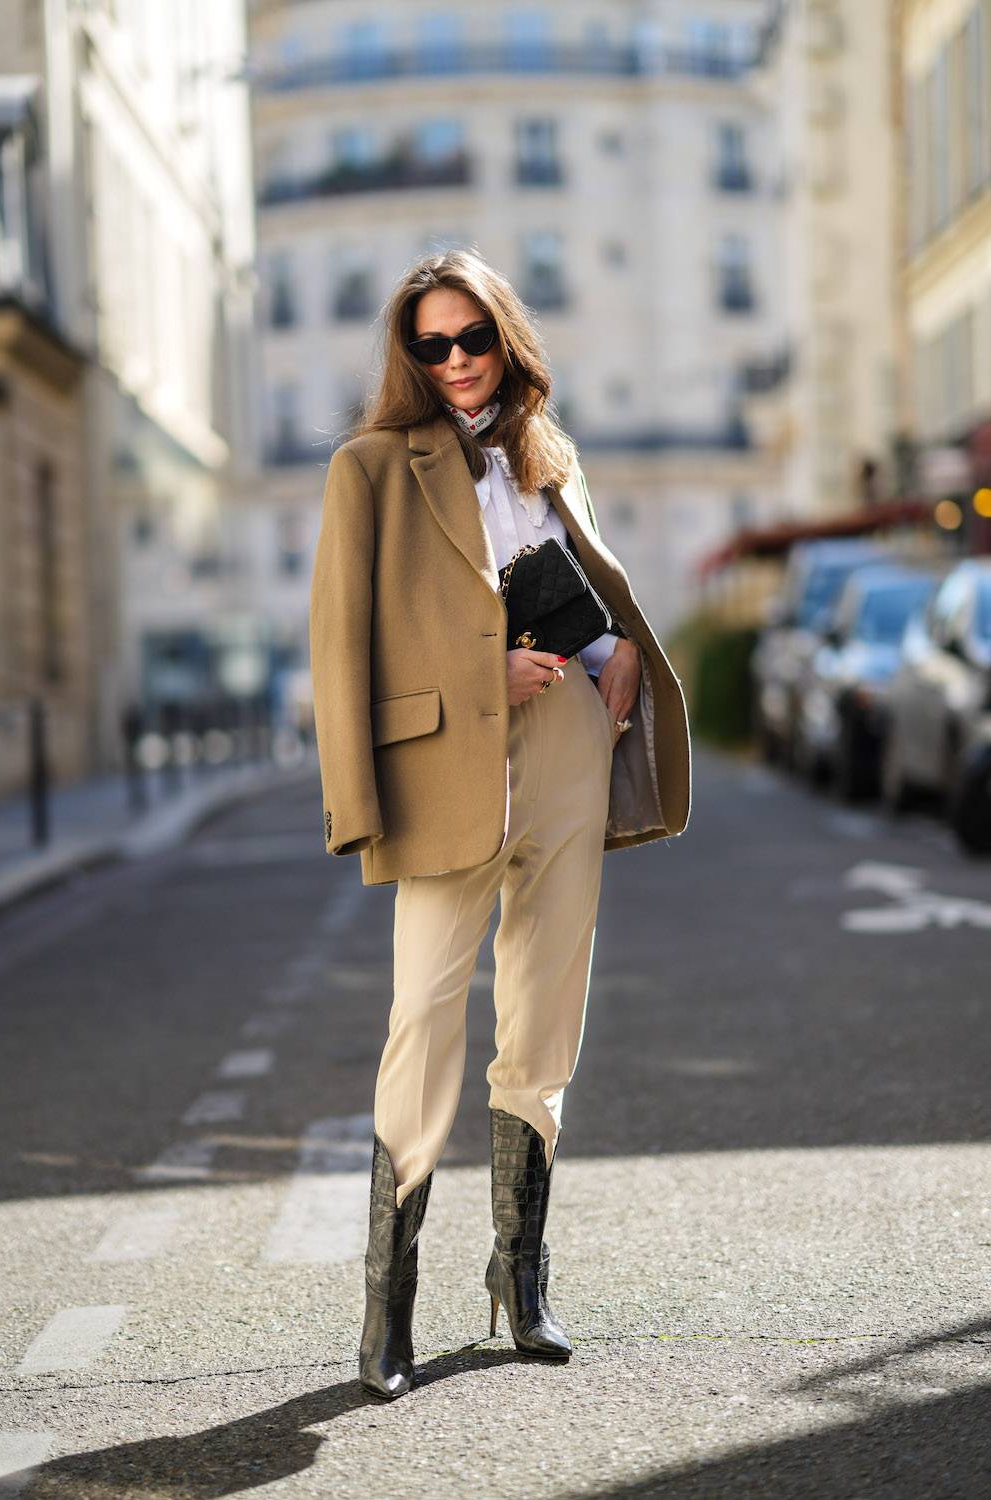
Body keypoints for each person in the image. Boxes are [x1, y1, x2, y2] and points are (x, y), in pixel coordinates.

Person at [309, 249, 691, 1400]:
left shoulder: (547, 453)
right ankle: (390, 1311)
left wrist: (612, 651)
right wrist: (372, 785)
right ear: (408, 356)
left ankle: (517, 1281)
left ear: (505, 340)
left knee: (544, 1012)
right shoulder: (369, 468)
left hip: (569, 742)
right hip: (446, 763)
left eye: (473, 338)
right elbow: (344, 648)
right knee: (421, 1017)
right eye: (432, 344)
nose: (457, 361)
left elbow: (572, 579)